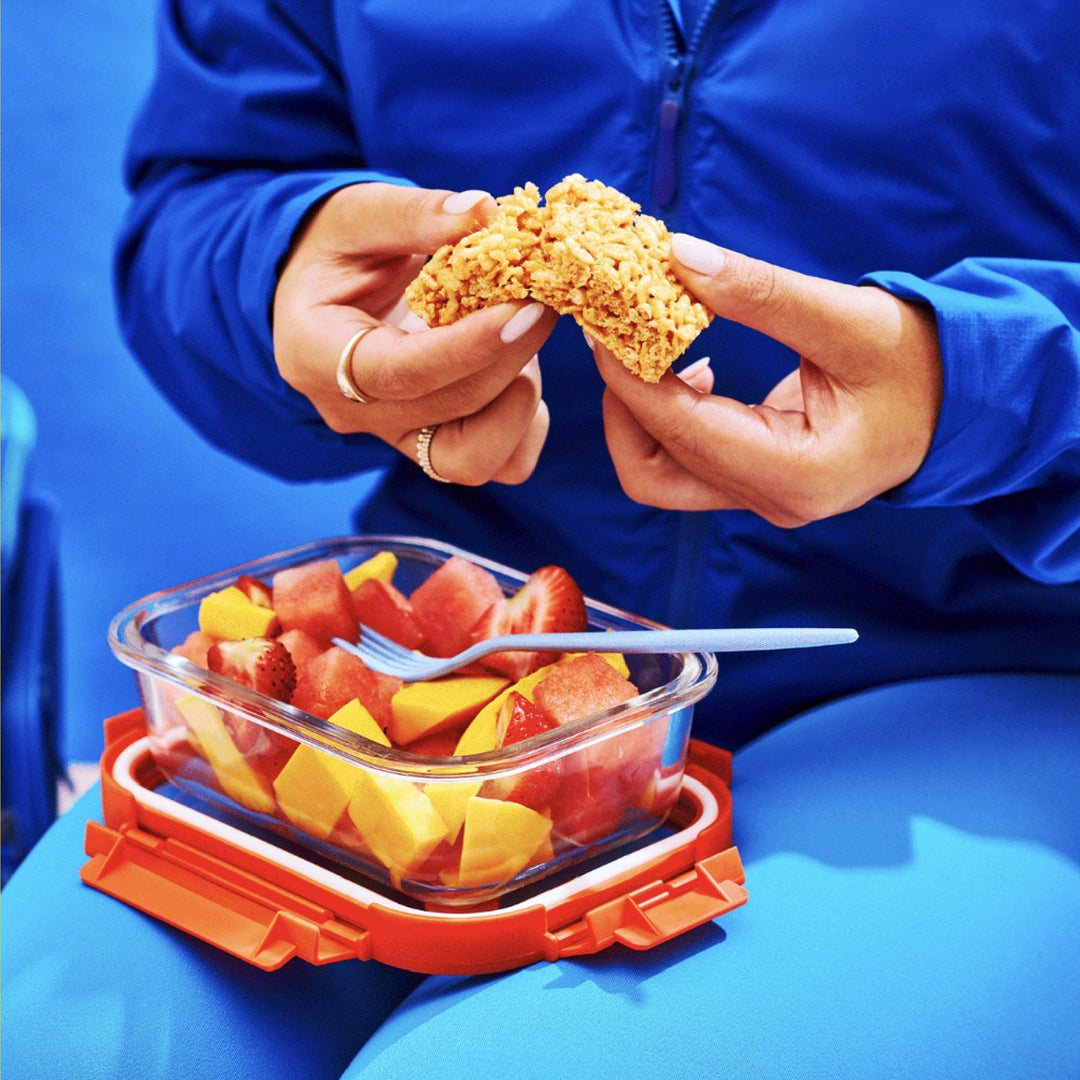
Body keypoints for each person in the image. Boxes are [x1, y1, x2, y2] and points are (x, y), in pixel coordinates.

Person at [2, 2, 1078, 1077]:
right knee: (54, 1043)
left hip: (971, 678)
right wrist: (278, 273)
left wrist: (984, 390)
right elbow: (206, 190)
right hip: (476, 645)